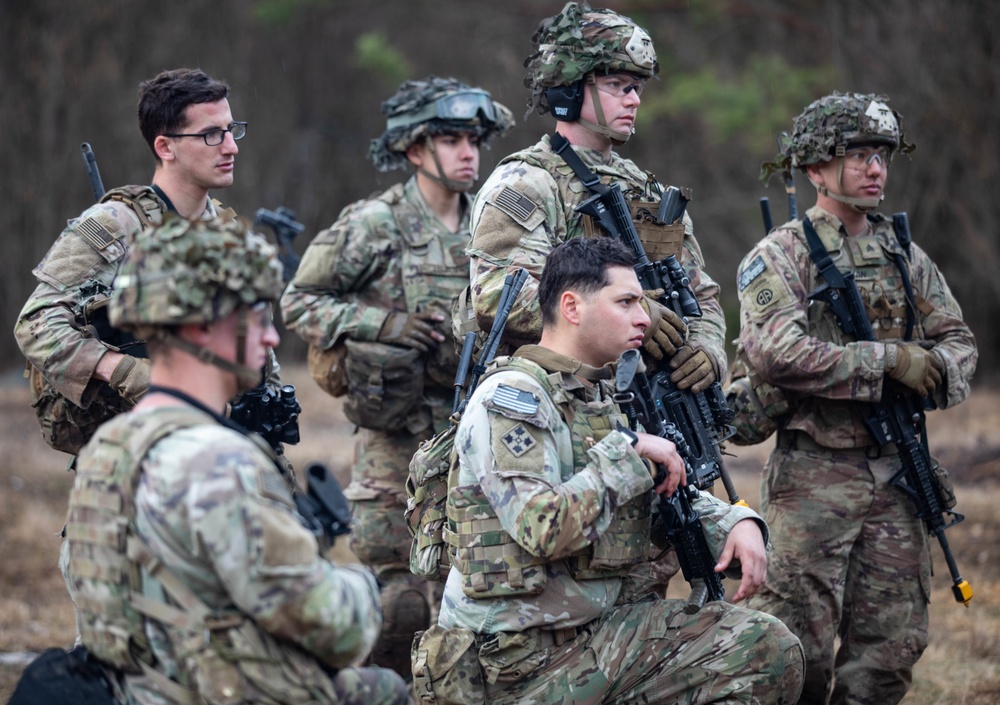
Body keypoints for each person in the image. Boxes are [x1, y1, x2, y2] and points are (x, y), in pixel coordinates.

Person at [412, 237, 803, 705]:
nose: (644, 317)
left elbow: (655, 490)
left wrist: (734, 522)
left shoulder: (597, 395)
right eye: (626, 302)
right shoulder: (513, 399)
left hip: (588, 635)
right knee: (761, 649)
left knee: (767, 645)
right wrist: (629, 451)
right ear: (572, 307)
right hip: (519, 662)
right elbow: (542, 526)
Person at [60, 215, 411, 705]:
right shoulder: (221, 462)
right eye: (256, 317)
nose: (271, 339)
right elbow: (337, 630)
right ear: (203, 326)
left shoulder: (109, 445)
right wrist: (361, 586)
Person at [737, 92, 978, 704]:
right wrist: (888, 361)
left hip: (897, 474)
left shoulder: (904, 255)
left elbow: (959, 344)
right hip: (814, 476)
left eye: (882, 155)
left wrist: (934, 370)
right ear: (817, 169)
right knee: (796, 650)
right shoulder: (781, 255)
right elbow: (774, 352)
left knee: (890, 653)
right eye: (858, 155)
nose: (875, 168)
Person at [280, 76, 513, 677]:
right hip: (395, 441)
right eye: (452, 140)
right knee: (400, 602)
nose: (469, 152)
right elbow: (300, 301)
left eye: (474, 140)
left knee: (479, 596)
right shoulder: (375, 224)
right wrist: (380, 323)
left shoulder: (496, 225)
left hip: (478, 439)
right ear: (415, 150)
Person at [464, 1, 724, 398]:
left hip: (650, 405)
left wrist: (707, 352)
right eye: (618, 86)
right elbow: (497, 294)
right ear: (570, 88)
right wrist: (627, 314)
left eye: (636, 87)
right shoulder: (527, 183)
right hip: (556, 402)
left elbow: (700, 294)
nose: (634, 99)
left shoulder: (649, 191)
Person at [15, 67, 267, 457]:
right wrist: (122, 370)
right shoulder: (117, 225)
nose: (231, 146)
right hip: (134, 456)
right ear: (165, 147)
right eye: (211, 135)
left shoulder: (228, 231)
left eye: (233, 130)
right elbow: (35, 324)